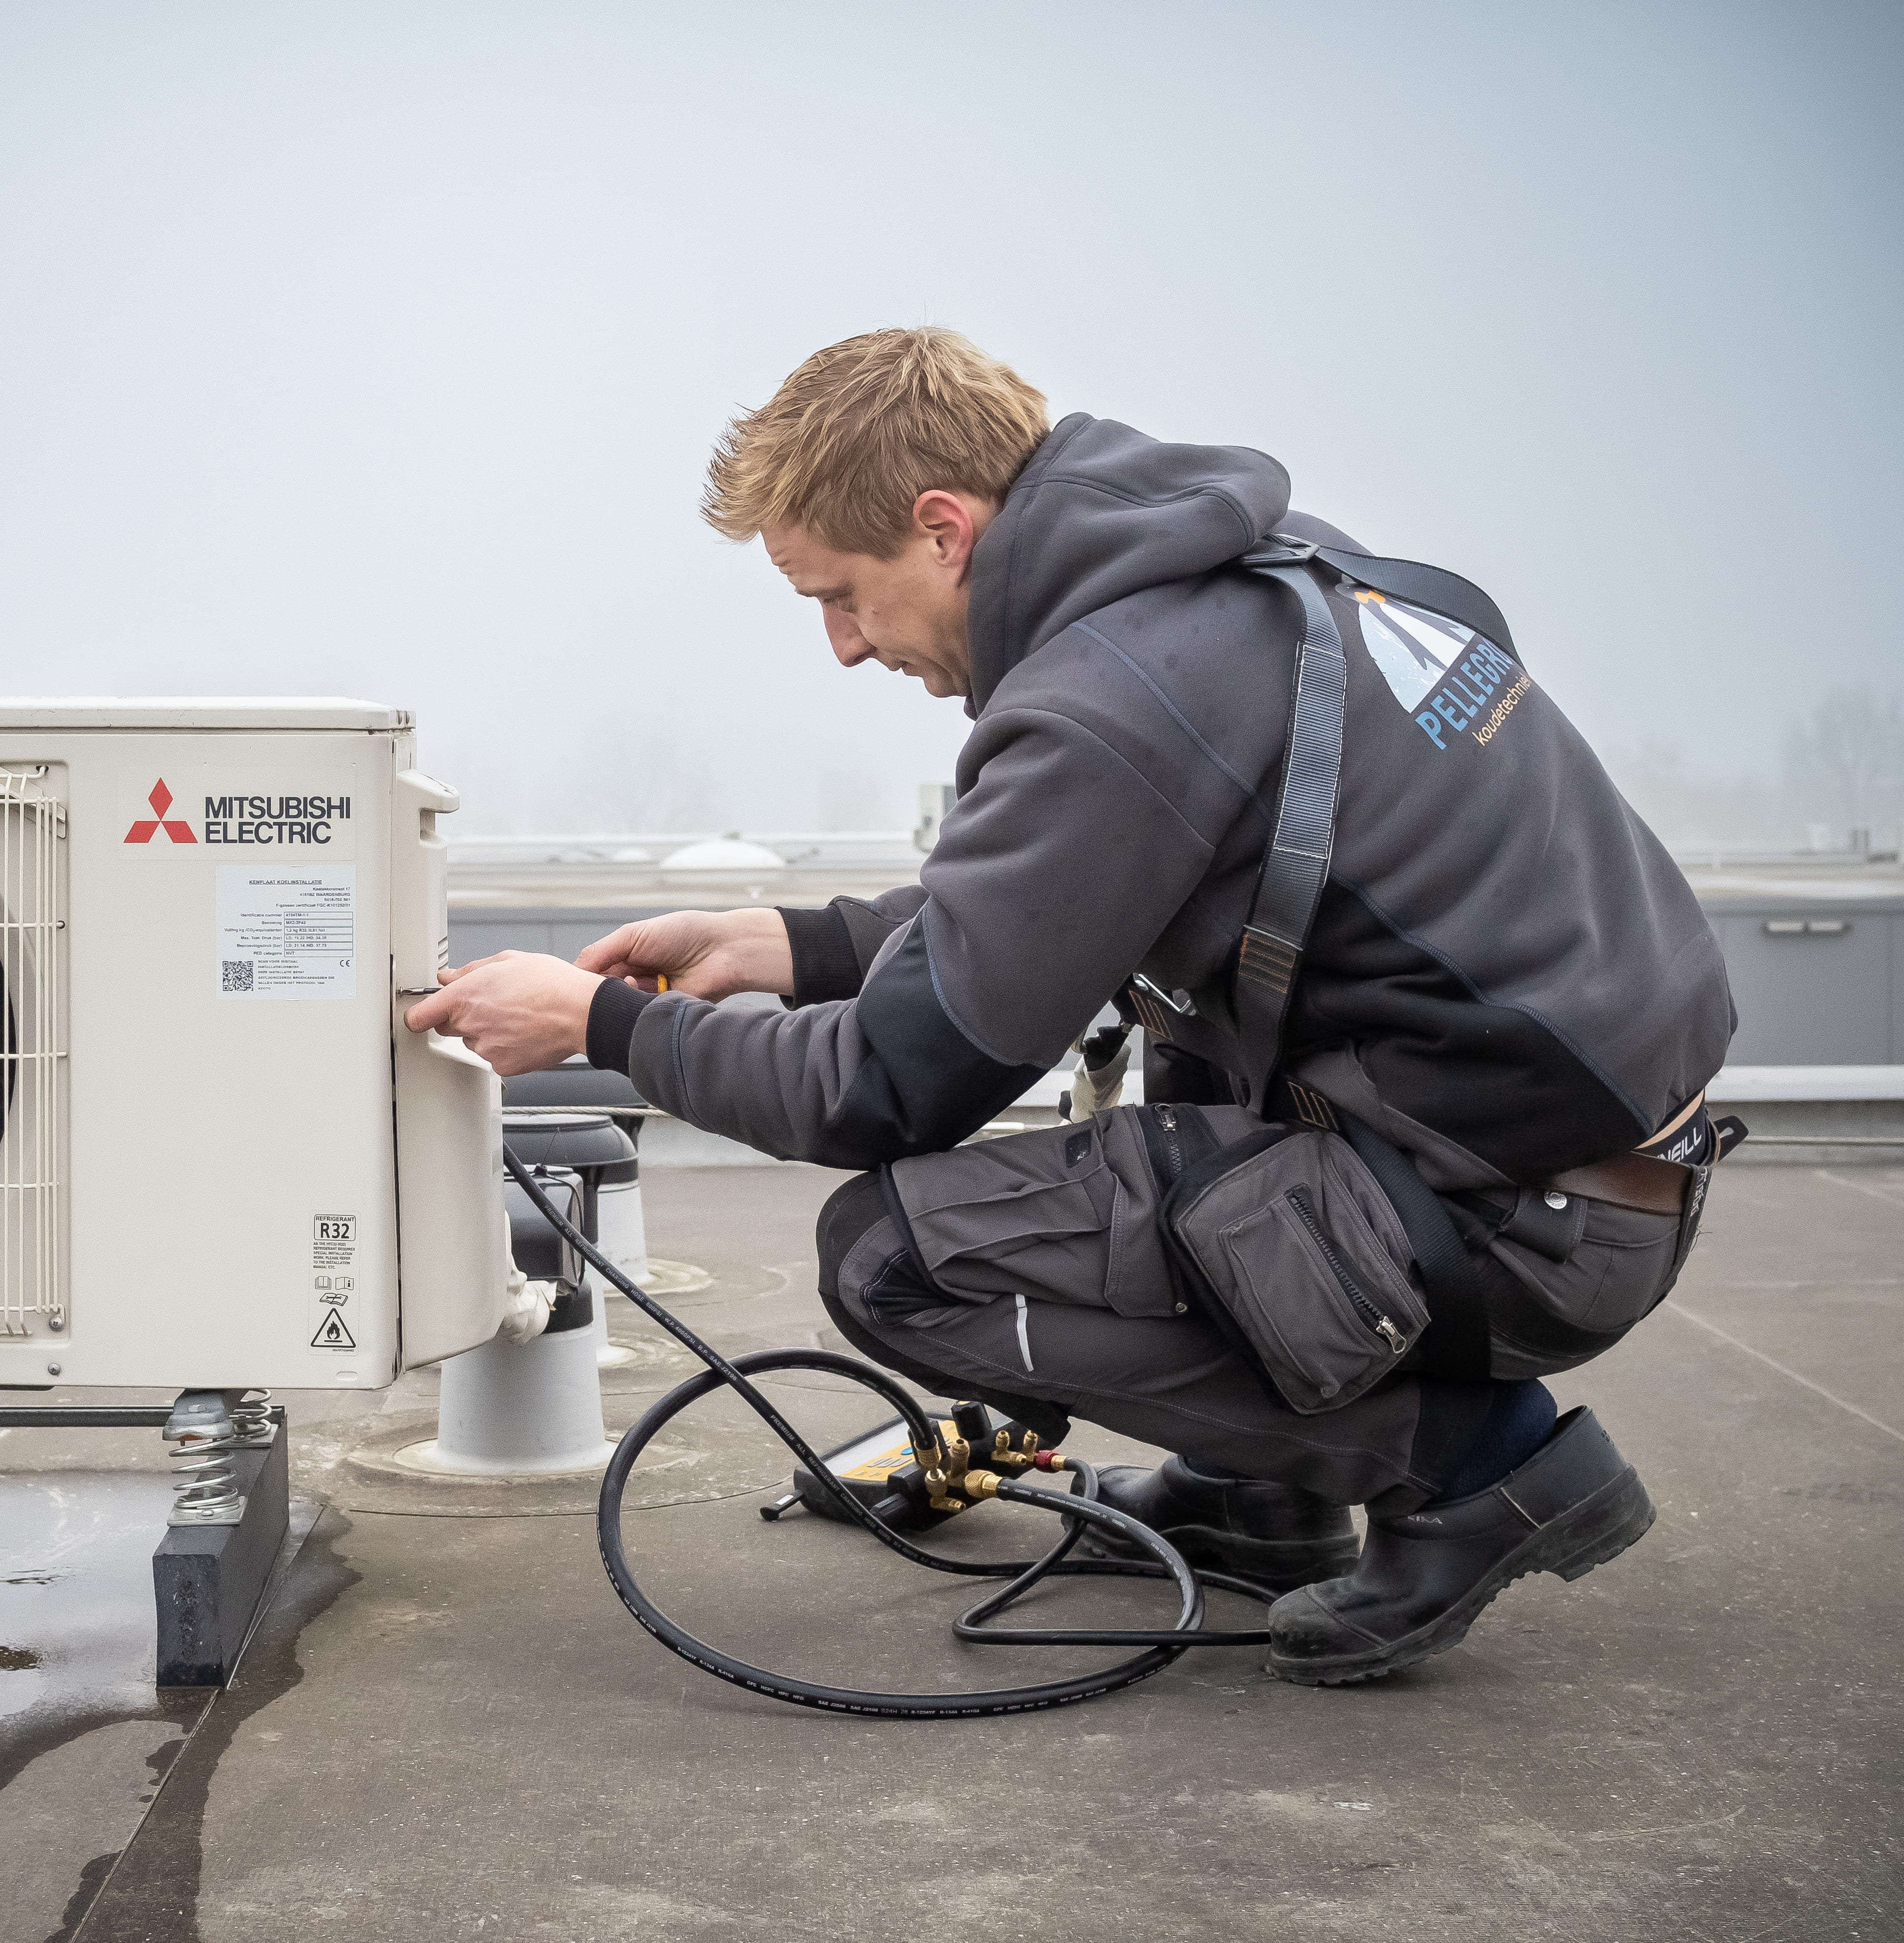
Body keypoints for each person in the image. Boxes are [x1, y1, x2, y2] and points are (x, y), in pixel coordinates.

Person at [402, 327, 1733, 1686]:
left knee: (898, 1257)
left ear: (942, 527)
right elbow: (1085, 892)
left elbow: (889, 1088)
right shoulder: (1229, 580)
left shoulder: (1119, 697)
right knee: (1183, 1043)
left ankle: (1477, 1469)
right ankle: (1255, 1490)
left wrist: (603, 1029)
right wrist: (793, 944)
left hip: (1518, 1227)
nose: (844, 648)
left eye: (845, 597)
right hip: (1579, 1164)